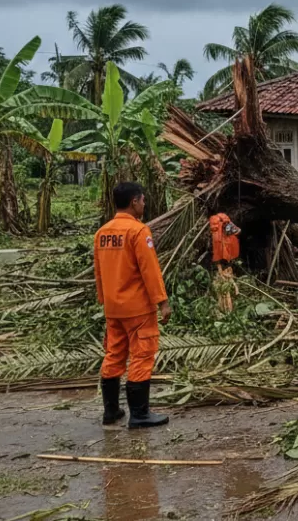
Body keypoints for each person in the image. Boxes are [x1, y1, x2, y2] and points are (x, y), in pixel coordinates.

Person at [93, 182, 171, 429]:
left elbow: (98, 272)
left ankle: (111, 411)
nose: (144, 204)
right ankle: (139, 414)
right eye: (143, 200)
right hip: (137, 308)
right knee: (142, 355)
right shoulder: (138, 232)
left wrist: (104, 300)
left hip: (113, 308)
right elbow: (150, 270)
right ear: (134, 202)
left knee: (114, 354)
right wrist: (162, 302)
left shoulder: (102, 233)